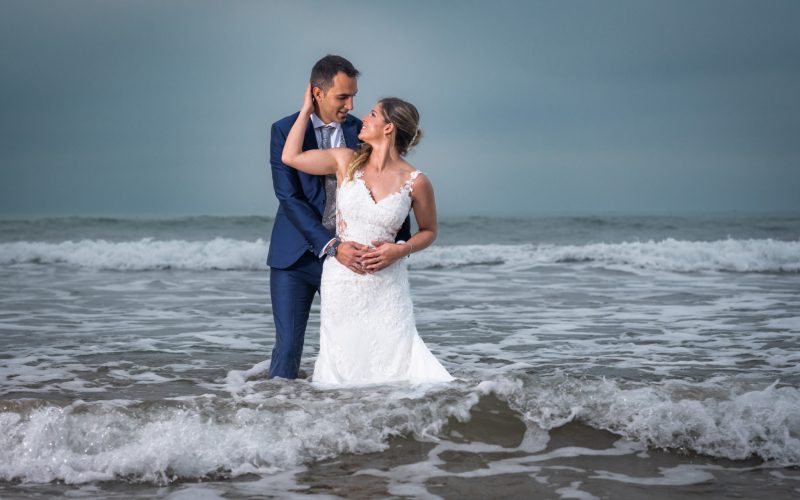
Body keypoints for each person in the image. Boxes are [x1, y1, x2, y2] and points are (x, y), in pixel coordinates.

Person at [280, 83, 453, 386]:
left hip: (387, 284)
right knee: (343, 367)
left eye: (373, 114)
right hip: (342, 280)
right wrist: (307, 110)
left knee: (396, 365)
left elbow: (429, 231)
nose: (364, 118)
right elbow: (290, 157)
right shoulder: (345, 161)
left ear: (388, 128)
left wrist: (400, 250)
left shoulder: (417, 181)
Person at [267, 55, 411, 379]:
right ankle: (274, 419)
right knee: (288, 348)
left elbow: (388, 186)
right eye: (342, 96)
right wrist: (331, 244)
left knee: (354, 347)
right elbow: (288, 197)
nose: (350, 104)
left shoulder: (360, 132)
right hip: (295, 259)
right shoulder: (283, 130)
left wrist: (398, 244)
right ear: (317, 93)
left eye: (353, 95)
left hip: (351, 261)